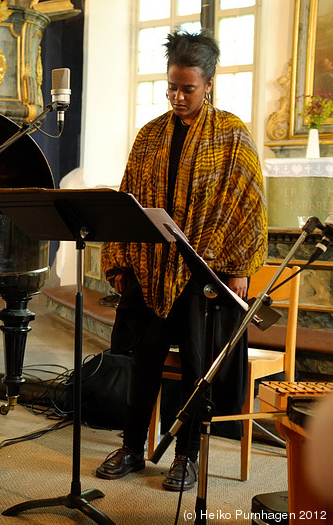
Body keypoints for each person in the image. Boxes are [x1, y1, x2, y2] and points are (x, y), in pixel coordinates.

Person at [95, 29, 267, 491]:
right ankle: (132, 447)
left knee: (197, 366)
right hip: (151, 270)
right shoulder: (150, 134)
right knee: (143, 361)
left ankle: (187, 456)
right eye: (171, 86)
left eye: (187, 88)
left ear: (209, 84)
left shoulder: (232, 134)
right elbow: (128, 196)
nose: (176, 96)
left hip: (205, 273)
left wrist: (239, 269)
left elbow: (247, 205)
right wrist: (120, 259)